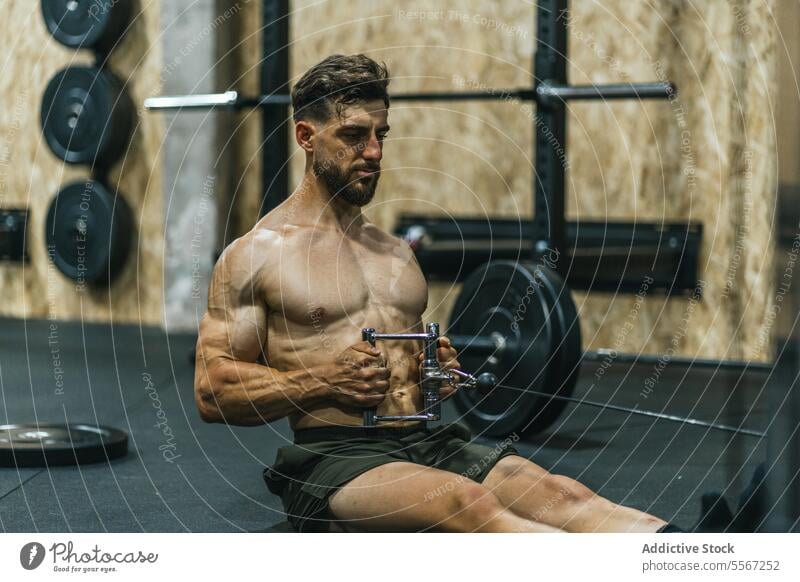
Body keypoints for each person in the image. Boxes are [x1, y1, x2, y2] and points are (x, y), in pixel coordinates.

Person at [194, 53, 679, 533]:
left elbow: (408, 370)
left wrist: (431, 370)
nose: (374, 152)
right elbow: (213, 392)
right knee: (467, 502)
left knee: (565, 495)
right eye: (353, 135)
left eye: (380, 135)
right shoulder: (255, 254)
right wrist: (319, 383)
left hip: (430, 440)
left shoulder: (394, 254)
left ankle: (693, 553)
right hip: (336, 456)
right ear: (306, 136)